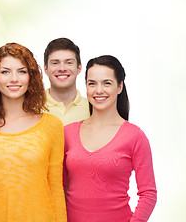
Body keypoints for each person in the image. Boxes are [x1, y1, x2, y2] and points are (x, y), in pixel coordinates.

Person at [0, 43, 67, 222]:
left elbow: (56, 189)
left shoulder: (52, 126)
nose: (14, 79)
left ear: (31, 77)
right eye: (5, 72)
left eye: (22, 71)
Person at [63, 55, 157, 221]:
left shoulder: (135, 136)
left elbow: (148, 194)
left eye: (107, 83)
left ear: (120, 86)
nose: (99, 90)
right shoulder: (67, 133)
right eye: (92, 83)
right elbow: (59, 187)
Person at [44, 38, 90, 125]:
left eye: (69, 62)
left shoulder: (92, 109)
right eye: (55, 63)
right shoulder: (32, 108)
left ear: (79, 68)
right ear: (46, 69)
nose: (62, 69)